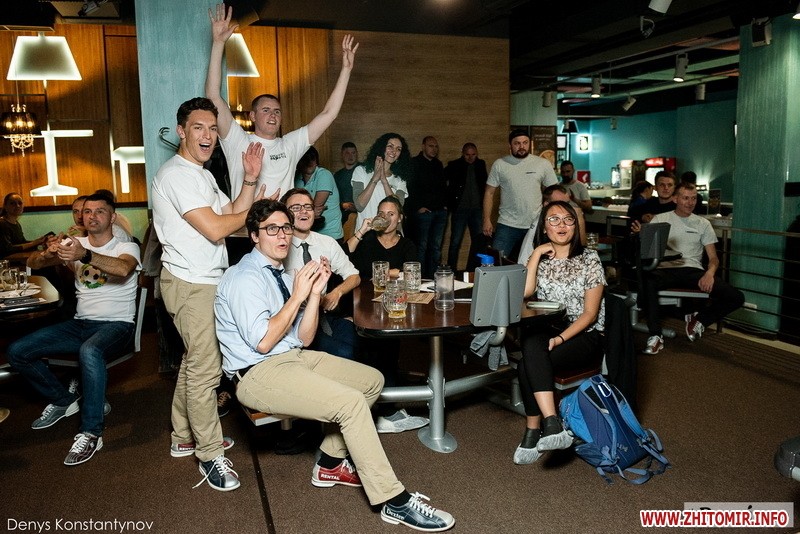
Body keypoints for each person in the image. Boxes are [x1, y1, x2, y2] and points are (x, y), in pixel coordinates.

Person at [214, 199, 455, 532]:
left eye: (285, 228)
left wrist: (314, 294)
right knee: (350, 403)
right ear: (254, 235)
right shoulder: (244, 277)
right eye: (272, 229)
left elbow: (304, 337)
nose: (282, 236)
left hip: (292, 357)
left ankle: (329, 462)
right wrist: (298, 295)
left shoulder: (278, 272)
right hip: (257, 373)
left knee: (371, 380)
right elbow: (264, 342)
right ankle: (393, 501)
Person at [151, 97, 266, 491]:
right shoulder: (176, 175)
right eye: (198, 127)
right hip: (190, 283)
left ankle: (184, 436)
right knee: (206, 370)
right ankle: (209, 453)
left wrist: (250, 179)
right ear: (181, 131)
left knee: (194, 362)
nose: (208, 135)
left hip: (206, 279)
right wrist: (255, 213)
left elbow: (232, 216)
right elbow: (218, 228)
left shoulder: (202, 175)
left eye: (213, 128)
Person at [8, 193, 140, 465]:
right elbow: (33, 264)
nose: (92, 216)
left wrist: (85, 254)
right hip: (80, 324)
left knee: (89, 351)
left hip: (118, 324)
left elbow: (123, 268)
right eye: (87, 211)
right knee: (18, 351)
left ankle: (91, 432)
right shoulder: (74, 244)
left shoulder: (125, 246)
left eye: (100, 211)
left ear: (112, 217)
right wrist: (48, 253)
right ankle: (63, 400)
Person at [206, 3, 358, 200]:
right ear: (252, 116)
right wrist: (218, 44)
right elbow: (213, 96)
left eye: (277, 111)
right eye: (266, 110)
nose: (273, 115)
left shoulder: (290, 144)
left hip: (283, 220)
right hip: (246, 220)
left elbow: (329, 114)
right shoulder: (238, 140)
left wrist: (346, 70)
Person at [513, 201, 606, 464]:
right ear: (544, 227)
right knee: (532, 344)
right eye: (553, 219)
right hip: (550, 329)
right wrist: (536, 254)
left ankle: (534, 429)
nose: (561, 225)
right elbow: (525, 293)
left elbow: (590, 314)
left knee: (527, 365)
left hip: (585, 334)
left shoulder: (589, 258)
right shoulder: (541, 259)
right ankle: (552, 424)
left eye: (568, 219)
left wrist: (561, 338)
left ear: (575, 226)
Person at [347, 196, 429, 433]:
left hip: (393, 303)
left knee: (389, 344)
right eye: (381, 213)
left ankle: (385, 405)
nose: (385, 218)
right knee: (369, 347)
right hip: (363, 301)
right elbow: (347, 259)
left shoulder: (407, 244)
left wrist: (385, 273)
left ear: (400, 218)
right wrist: (362, 231)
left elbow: (412, 272)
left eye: (391, 214)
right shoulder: (367, 241)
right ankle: (378, 405)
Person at [633, 182, 744, 355]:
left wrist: (710, 273)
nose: (690, 202)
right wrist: (642, 236)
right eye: (685, 198)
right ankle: (655, 335)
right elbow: (648, 253)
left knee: (736, 297)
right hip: (665, 269)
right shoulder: (660, 219)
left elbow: (713, 258)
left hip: (692, 270)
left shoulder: (703, 223)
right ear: (675, 199)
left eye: (693, 198)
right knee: (648, 281)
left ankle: (700, 320)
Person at [281, 187, 360, 359]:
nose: (303, 211)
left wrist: (336, 293)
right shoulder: (279, 246)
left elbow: (354, 276)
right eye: (296, 208)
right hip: (292, 323)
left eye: (308, 207)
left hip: (323, 316)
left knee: (362, 341)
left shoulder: (327, 243)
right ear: (285, 214)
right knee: (343, 352)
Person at [483, 129, 558, 261]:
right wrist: (486, 220)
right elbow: (489, 193)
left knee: (538, 263)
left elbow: (554, 192)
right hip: (507, 224)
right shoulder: (500, 164)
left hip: (535, 224)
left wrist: (553, 218)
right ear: (510, 145)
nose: (521, 146)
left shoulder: (542, 164)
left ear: (530, 143)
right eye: (517, 143)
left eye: (525, 142)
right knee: (495, 262)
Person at [351, 133, 411, 231]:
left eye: (398, 149)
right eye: (390, 146)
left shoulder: (400, 179)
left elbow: (398, 208)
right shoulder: (361, 171)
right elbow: (359, 206)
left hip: (390, 235)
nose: (394, 151)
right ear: (382, 147)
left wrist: (384, 181)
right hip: (365, 233)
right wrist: (375, 178)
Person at [406, 136, 447, 278]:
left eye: (436, 146)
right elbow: (409, 188)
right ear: (423, 146)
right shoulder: (414, 163)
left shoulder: (438, 164)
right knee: (421, 247)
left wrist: (445, 205)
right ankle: (420, 278)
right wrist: (418, 207)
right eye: (431, 146)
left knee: (435, 247)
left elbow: (443, 187)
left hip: (439, 212)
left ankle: (432, 277)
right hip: (423, 213)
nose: (434, 149)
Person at [444, 142, 488, 272]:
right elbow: (441, 181)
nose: (470, 157)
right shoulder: (454, 165)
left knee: (478, 241)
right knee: (455, 242)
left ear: (477, 154)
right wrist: (448, 201)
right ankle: (451, 270)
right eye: (467, 154)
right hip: (460, 209)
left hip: (476, 209)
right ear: (463, 154)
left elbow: (485, 185)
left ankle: (475, 269)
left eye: (473, 154)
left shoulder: (481, 164)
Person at [518, 184, 587, 266]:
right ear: (546, 204)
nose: (565, 208)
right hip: (528, 268)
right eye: (559, 204)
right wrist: (579, 217)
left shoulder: (544, 217)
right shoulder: (547, 222)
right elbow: (581, 246)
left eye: (567, 203)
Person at [294, 147, 343, 242]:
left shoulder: (324, 174)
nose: (310, 162)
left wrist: (302, 211)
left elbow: (315, 207)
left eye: (312, 159)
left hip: (330, 235)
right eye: (306, 159)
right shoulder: (297, 178)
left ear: (316, 161)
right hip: (308, 234)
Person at [0, 192, 50, 259]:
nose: (17, 206)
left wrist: (39, 241)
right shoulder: (2, 223)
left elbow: (22, 243)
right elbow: (7, 249)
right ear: (5, 206)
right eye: (12, 203)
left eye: (20, 203)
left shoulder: (16, 223)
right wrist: (33, 243)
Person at [333, 142, 359, 220]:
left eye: (353, 153)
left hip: (363, 211)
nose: (350, 156)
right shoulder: (338, 175)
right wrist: (343, 204)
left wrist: (358, 206)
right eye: (347, 153)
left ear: (357, 154)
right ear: (342, 155)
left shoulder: (363, 170)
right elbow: (335, 196)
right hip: (344, 214)